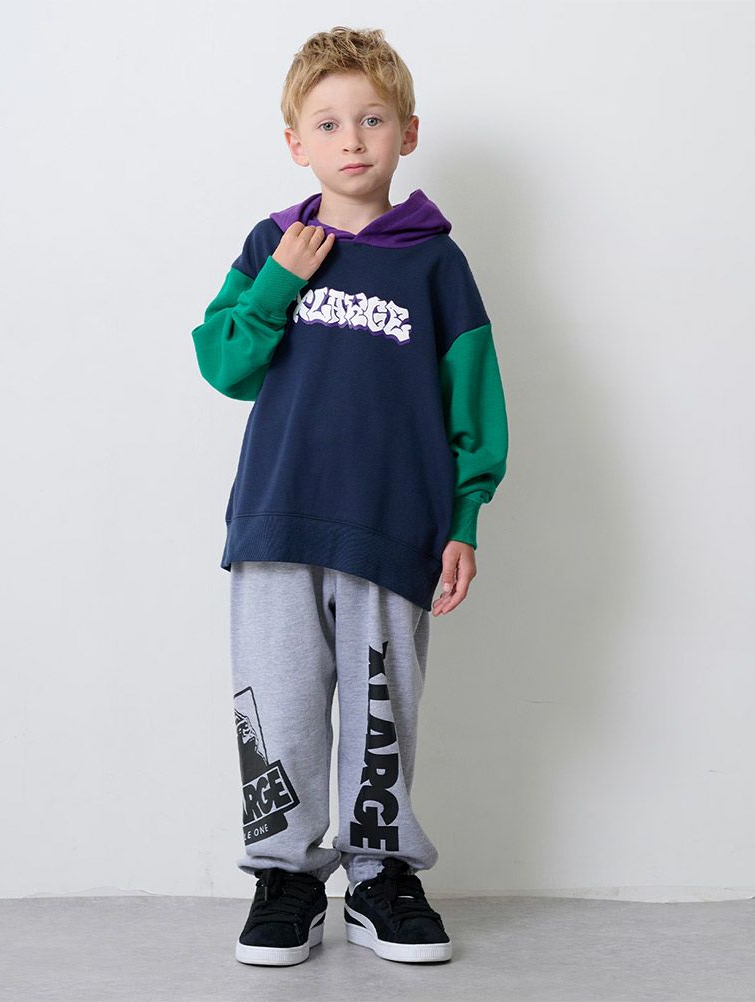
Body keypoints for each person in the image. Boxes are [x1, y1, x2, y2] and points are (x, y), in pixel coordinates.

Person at [191, 25, 509, 967]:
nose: (352, 139)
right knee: (281, 707)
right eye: (327, 123)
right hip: (276, 522)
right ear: (297, 142)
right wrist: (280, 282)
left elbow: (473, 405)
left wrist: (463, 520)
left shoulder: (436, 265)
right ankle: (286, 880)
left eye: (372, 119)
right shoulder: (273, 245)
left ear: (407, 132)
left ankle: (379, 878)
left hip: (392, 530)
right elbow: (224, 365)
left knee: (381, 714)